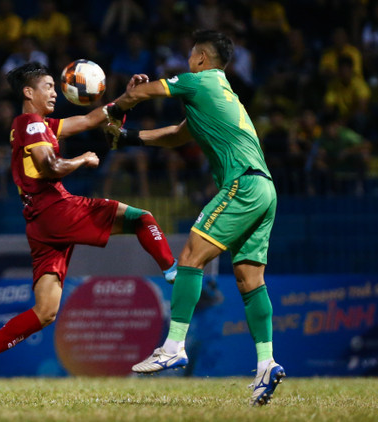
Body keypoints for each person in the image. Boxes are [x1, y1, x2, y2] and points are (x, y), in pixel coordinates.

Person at [0, 62, 177, 398]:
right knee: (142, 218)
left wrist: (128, 98)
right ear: (28, 92)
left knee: (45, 311)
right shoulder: (32, 124)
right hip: (56, 208)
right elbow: (50, 166)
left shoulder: (39, 125)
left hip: (39, 222)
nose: (54, 92)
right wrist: (83, 160)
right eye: (47, 86)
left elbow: (91, 119)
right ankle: (176, 273)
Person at [106, 30, 285, 406]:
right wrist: (128, 137)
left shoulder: (198, 81)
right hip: (265, 188)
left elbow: (143, 93)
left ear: (202, 58)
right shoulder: (219, 94)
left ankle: (173, 346)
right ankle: (266, 364)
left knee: (189, 257)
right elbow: (176, 135)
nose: (186, 61)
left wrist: (115, 108)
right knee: (250, 280)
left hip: (243, 184)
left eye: (190, 55)